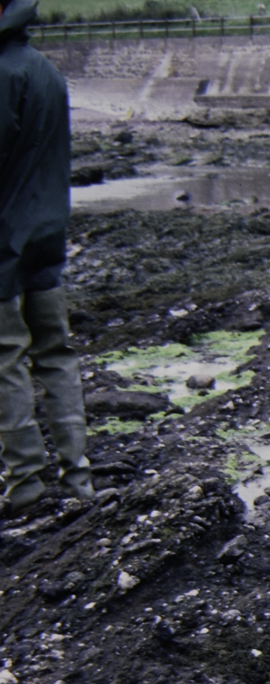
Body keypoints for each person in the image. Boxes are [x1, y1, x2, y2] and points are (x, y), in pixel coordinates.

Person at [0, 0, 88, 515]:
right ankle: (78, 479)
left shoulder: (4, 73)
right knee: (56, 355)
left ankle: (27, 485)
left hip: (4, 246)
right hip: (47, 237)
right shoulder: (47, 72)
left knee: (5, 359)